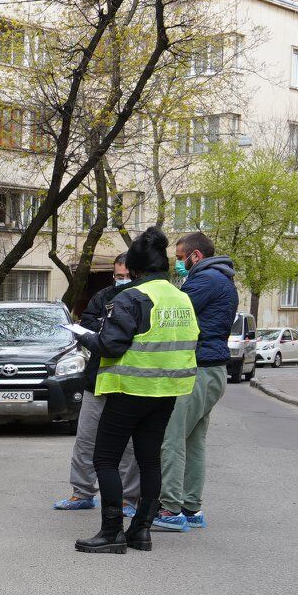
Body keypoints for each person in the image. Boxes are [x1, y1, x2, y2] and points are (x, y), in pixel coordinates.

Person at [69, 227, 199, 554]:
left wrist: (83, 336)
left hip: (130, 390)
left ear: (136, 269)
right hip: (167, 391)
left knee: (105, 459)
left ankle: (111, 532)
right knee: (149, 460)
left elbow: (110, 346)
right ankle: (141, 531)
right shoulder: (182, 297)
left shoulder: (130, 297)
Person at [151, 230, 238, 534]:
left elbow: (171, 313)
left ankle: (170, 508)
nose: (178, 265)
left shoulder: (205, 280)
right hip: (212, 370)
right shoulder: (222, 279)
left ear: (195, 256)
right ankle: (191, 507)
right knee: (193, 441)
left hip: (196, 369)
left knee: (172, 438)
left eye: (179, 259)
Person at [54, 254, 141, 515]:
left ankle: (129, 498)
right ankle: (82, 492)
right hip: (97, 379)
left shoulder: (142, 298)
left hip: (128, 381)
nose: (120, 281)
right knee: (86, 439)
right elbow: (89, 323)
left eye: (126, 276)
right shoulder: (102, 297)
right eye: (117, 276)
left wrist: (109, 330)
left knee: (128, 446)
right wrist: (104, 328)